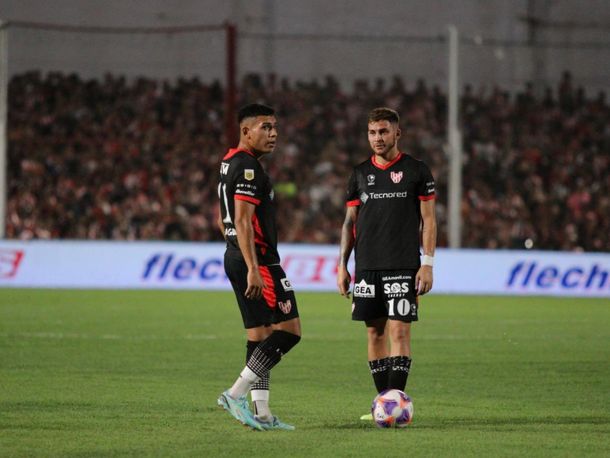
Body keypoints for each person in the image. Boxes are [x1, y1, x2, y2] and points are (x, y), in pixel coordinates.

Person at [336, 107, 437, 420]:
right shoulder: (358, 174)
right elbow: (349, 223)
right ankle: (382, 404)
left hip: (404, 265)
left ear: (397, 133)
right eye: (372, 133)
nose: (377, 138)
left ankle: (396, 403)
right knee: (374, 334)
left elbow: (429, 220)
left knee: (400, 333)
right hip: (367, 266)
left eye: (383, 132)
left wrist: (428, 263)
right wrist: (342, 265)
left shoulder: (417, 171)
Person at [217, 103, 302, 431]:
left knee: (259, 336)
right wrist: (253, 266)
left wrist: (235, 251)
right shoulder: (250, 169)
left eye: (275, 126)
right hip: (259, 260)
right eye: (266, 127)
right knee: (289, 332)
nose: (274, 133)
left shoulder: (228, 163)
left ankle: (262, 414)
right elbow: (242, 219)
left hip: (235, 255)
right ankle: (234, 393)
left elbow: (224, 217)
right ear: (246, 131)